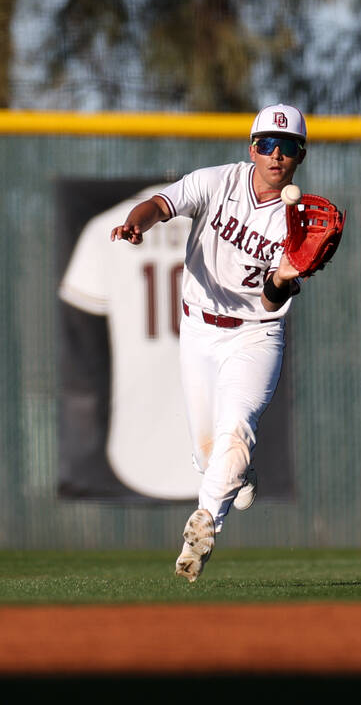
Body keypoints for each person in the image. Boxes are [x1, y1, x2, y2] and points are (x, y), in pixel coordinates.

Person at [109, 103, 312, 581]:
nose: (275, 155)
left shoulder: (299, 222)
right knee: (208, 453)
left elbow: (269, 302)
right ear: (252, 149)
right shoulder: (217, 181)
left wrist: (284, 276)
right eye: (267, 144)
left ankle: (202, 528)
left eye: (287, 147)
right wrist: (139, 222)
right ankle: (234, 474)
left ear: (299, 156)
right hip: (199, 329)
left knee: (236, 428)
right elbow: (161, 204)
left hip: (255, 335)